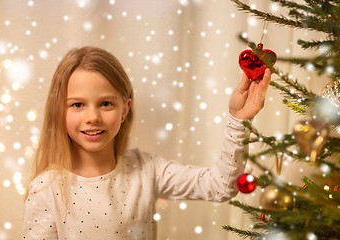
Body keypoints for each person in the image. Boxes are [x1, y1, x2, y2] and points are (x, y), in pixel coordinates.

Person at [22, 46, 271, 239]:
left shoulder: (146, 169)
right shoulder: (46, 189)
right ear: (60, 110)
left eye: (105, 103)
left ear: (124, 109)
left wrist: (238, 121)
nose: (92, 117)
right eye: (78, 105)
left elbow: (221, 186)